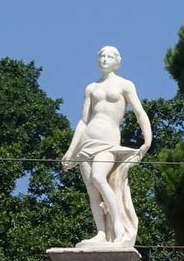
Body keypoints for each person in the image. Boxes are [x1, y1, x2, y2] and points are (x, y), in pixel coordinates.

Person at [62, 45, 152, 247]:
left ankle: (119, 228)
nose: (104, 59)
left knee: (98, 177)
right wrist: (71, 151)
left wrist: (148, 140)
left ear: (117, 61)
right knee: (92, 190)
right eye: (102, 56)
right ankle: (101, 232)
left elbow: (139, 112)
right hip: (87, 142)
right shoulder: (91, 88)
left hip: (108, 141)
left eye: (109, 56)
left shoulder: (125, 85)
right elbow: (83, 121)